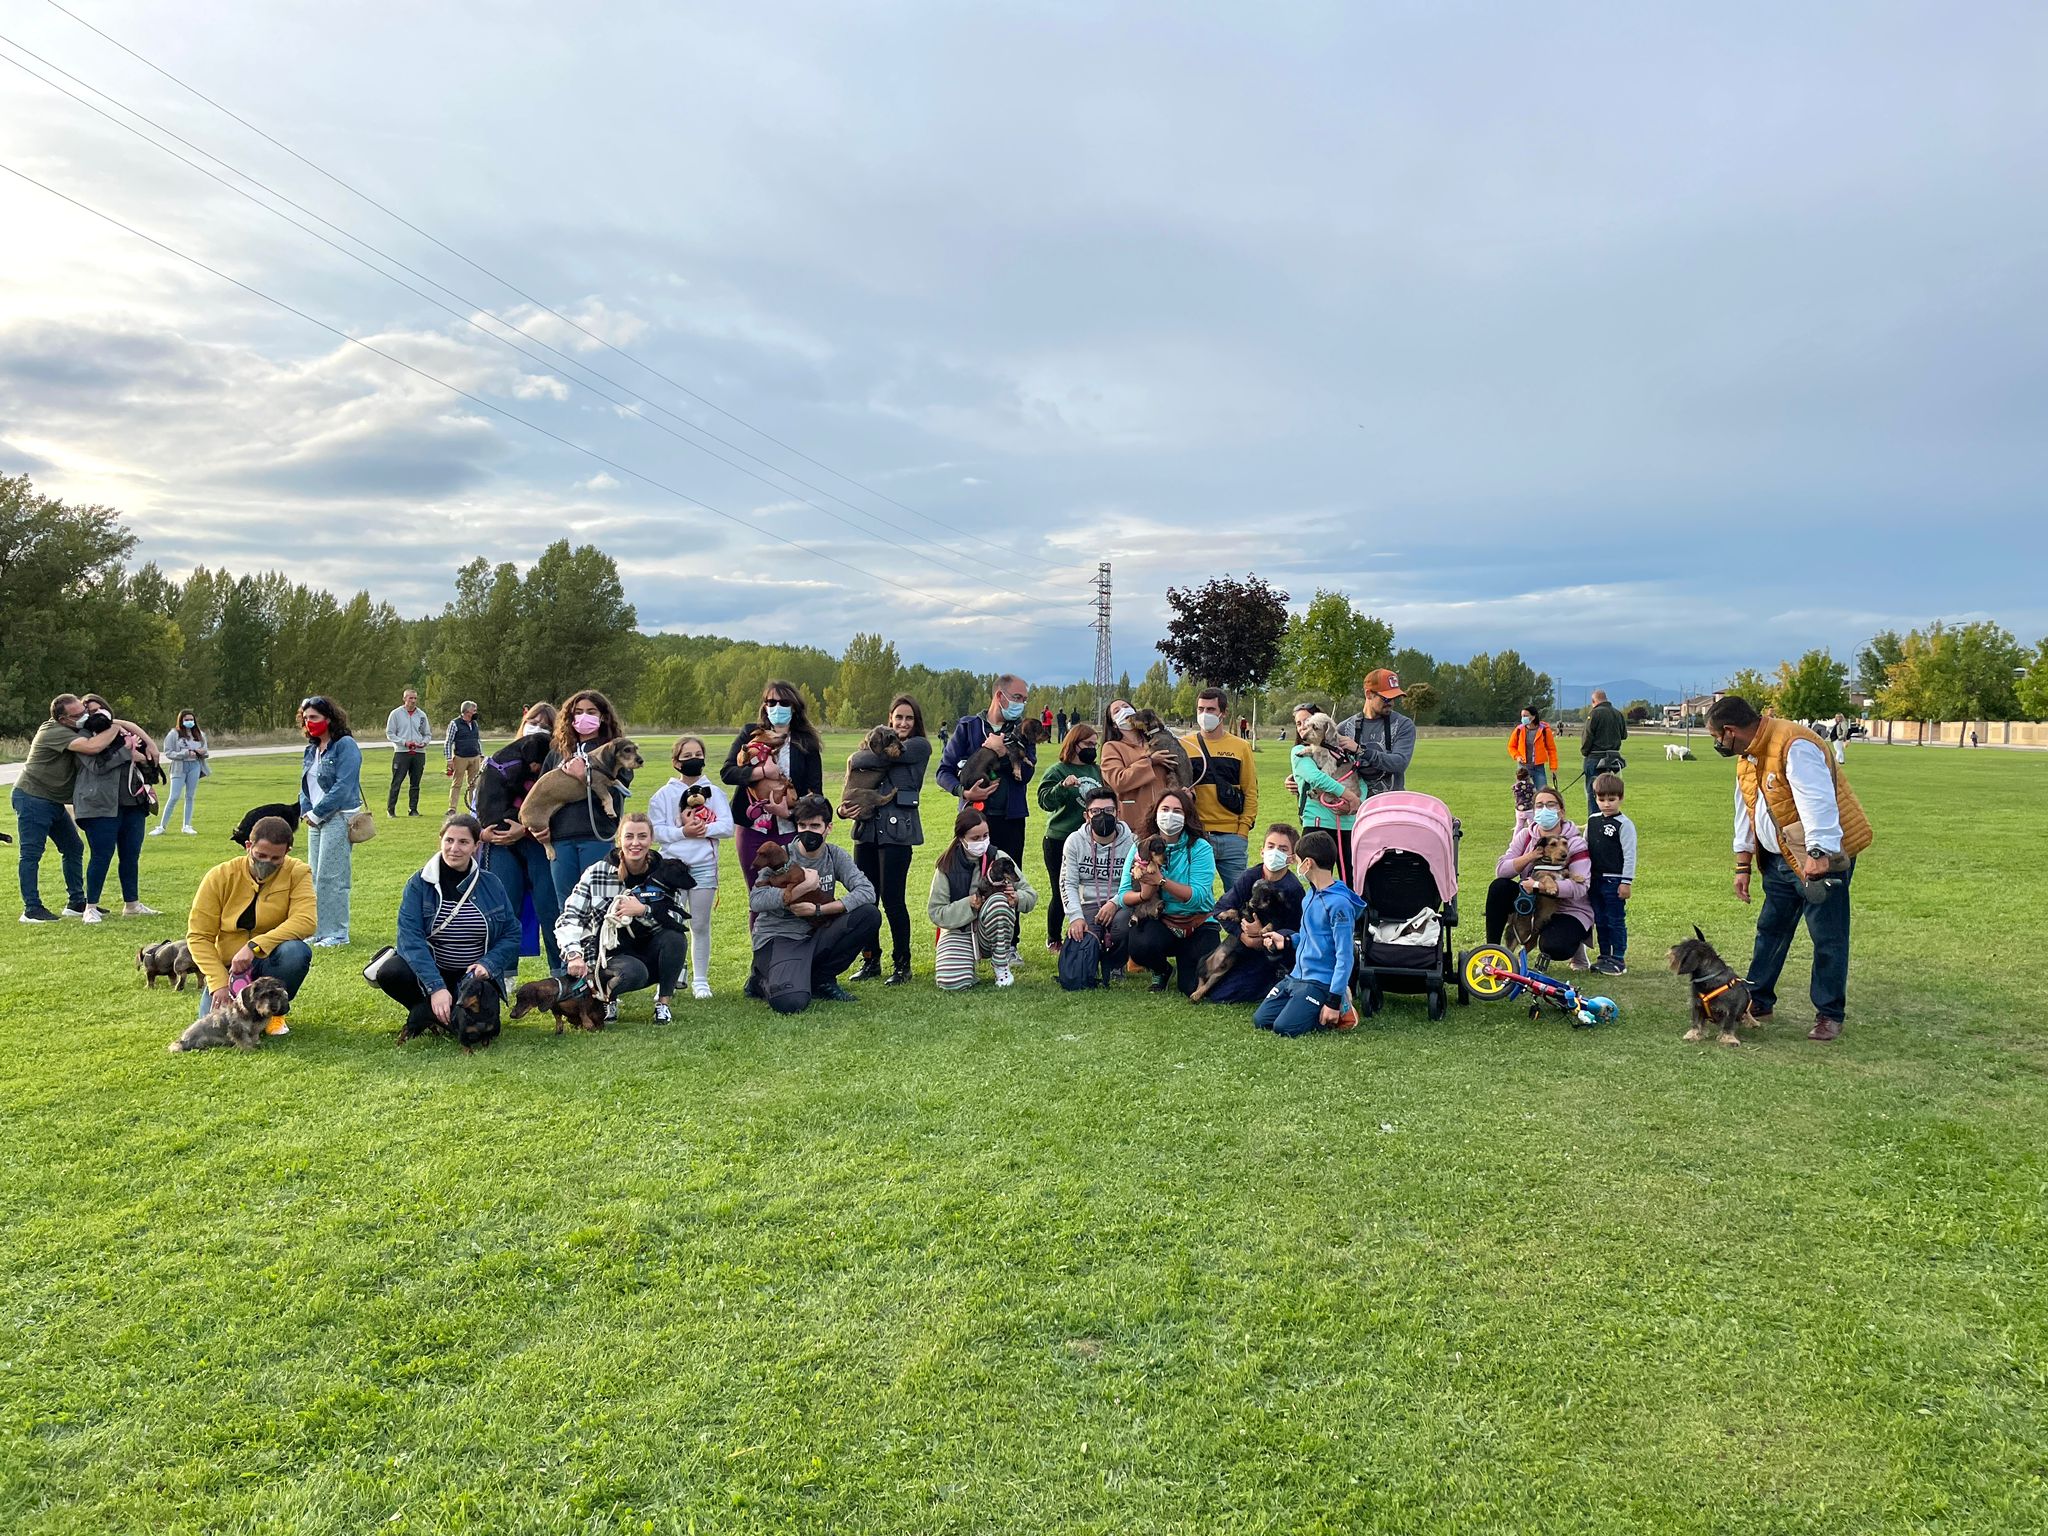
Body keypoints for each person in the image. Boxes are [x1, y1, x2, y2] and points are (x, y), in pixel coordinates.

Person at [1710, 694, 1872, 1043]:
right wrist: (1743, 864)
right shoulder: (1747, 758)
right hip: (1778, 859)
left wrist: (1819, 853)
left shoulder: (1794, 744)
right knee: (1771, 929)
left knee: (1827, 936)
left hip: (1818, 858)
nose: (1716, 744)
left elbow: (1818, 801)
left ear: (1730, 730)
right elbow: (1747, 812)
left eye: (1715, 737)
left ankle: (1829, 1014)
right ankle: (1758, 1001)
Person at [369, 813, 520, 1023]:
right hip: (432, 971)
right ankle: (428, 1011)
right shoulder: (418, 884)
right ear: (440, 840)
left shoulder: (491, 883)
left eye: (463, 842)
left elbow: (512, 933)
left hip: (472, 977)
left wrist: (488, 964)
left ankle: (441, 1016)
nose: (454, 848)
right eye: (449, 840)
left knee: (482, 1027)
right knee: (391, 971)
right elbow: (410, 939)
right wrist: (436, 986)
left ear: (476, 846)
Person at [557, 811, 698, 1024]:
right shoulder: (597, 873)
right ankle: (607, 999)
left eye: (642, 836)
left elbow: (677, 920)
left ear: (651, 840)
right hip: (613, 955)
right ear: (619, 840)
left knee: (675, 939)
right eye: (629, 836)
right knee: (634, 972)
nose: (635, 843)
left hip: (653, 949)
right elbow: (570, 916)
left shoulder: (665, 872)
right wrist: (574, 954)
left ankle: (663, 1004)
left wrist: (643, 910)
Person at [745, 794, 881, 1014]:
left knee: (868, 915)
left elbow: (867, 891)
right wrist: (802, 889)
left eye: (815, 825)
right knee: (790, 1003)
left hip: (816, 933)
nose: (808, 831)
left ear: (828, 828)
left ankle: (822, 979)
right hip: (780, 936)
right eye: (802, 825)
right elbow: (756, 900)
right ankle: (760, 979)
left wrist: (820, 909)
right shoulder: (780, 855)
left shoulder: (834, 855)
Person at [186, 814, 315, 1027]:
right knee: (214, 1027)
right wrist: (218, 983)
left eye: (276, 859)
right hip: (229, 967)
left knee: (296, 952)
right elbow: (199, 936)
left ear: (287, 852)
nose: (267, 863)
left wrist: (254, 946)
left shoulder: (298, 872)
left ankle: (273, 1012)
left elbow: (306, 920)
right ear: (248, 845)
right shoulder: (220, 875)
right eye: (260, 855)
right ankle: (251, 1010)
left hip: (270, 959)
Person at [13, 693, 121, 922]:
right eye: (77, 715)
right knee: (31, 853)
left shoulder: (73, 727)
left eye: (84, 710)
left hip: (53, 801)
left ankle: (76, 902)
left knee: (73, 847)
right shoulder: (53, 731)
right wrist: (115, 725)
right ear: (63, 719)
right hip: (33, 797)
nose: (84, 716)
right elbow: (93, 747)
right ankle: (31, 909)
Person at [848, 695, 933, 986]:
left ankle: (902, 965)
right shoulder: (883, 741)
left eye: (909, 718)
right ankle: (870, 960)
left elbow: (865, 759)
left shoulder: (919, 746)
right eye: (898, 718)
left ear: (916, 721)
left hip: (898, 833)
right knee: (865, 899)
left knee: (893, 900)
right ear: (890, 718)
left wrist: (855, 758)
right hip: (867, 829)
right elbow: (862, 766)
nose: (903, 723)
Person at [476, 702, 563, 975]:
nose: (537, 729)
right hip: (501, 843)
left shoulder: (559, 765)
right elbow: (480, 807)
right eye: (533, 722)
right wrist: (481, 832)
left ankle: (561, 973)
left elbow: (562, 808)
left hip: (540, 842)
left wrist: (524, 830)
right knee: (502, 910)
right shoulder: (501, 760)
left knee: (552, 908)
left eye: (546, 726)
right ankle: (500, 974)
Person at [1252, 829, 1365, 1037]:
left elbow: (1345, 955)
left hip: (1321, 981)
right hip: (1296, 976)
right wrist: (1285, 941)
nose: (1297, 866)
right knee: (1261, 1020)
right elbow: (1308, 937)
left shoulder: (1339, 904)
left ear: (1308, 863)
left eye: (1298, 860)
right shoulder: (1311, 895)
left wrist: (1332, 999)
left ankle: (1340, 1005)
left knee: (1285, 1028)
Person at [648, 735, 734, 1000]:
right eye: (687, 756)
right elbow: (656, 832)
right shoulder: (663, 795)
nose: (693, 760)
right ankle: (668, 979)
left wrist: (703, 829)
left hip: (704, 867)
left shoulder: (714, 792)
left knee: (699, 924)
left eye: (698, 754)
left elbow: (727, 827)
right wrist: (684, 831)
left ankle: (701, 980)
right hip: (671, 869)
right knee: (669, 925)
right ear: (676, 762)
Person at [1111, 788, 1219, 995]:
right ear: (1155, 813)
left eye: (1177, 811)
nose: (1170, 816)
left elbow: (1198, 897)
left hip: (1197, 923)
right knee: (1140, 944)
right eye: (1165, 809)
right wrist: (1144, 895)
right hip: (1162, 921)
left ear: (1187, 817)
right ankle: (1162, 969)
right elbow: (1124, 895)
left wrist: (1161, 881)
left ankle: (1187, 961)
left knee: (1190, 988)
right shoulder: (1139, 847)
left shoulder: (1200, 848)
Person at [544, 689, 637, 907]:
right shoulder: (558, 752)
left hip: (596, 835)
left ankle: (599, 942)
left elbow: (620, 787)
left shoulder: (615, 749)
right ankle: (568, 943)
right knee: (566, 904)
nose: (584, 716)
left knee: (600, 902)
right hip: (561, 838)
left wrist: (584, 776)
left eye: (591, 711)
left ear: (603, 716)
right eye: (578, 712)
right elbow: (543, 792)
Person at [1483, 784, 1594, 968]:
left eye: (1551, 805)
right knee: (1499, 887)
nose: (1545, 810)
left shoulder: (1575, 843)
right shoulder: (1526, 836)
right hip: (1533, 903)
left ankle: (1575, 943)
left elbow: (1580, 887)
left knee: (1554, 946)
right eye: (1540, 805)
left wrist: (1539, 886)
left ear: (1561, 812)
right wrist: (1531, 856)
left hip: (1566, 908)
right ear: (1534, 812)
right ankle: (1492, 953)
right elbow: (1502, 870)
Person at [722, 680, 824, 877]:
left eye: (784, 703)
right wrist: (761, 773)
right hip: (752, 829)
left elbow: (816, 793)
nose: (777, 707)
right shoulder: (750, 734)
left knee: (790, 892)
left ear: (794, 707)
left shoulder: (806, 742)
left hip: (790, 830)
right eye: (771, 702)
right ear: (765, 706)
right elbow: (728, 772)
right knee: (758, 894)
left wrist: (788, 813)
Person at [927, 807, 1038, 989]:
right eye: (975, 838)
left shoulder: (999, 857)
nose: (982, 842)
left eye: (985, 836)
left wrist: (1016, 897)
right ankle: (965, 965)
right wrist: (969, 904)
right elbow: (936, 912)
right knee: (951, 982)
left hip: (993, 928)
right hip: (959, 930)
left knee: (998, 902)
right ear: (961, 838)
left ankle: (1001, 964)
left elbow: (1031, 895)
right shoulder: (946, 865)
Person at [72, 698, 161, 921]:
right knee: (101, 855)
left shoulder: (121, 731)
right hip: (99, 805)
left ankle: (132, 903)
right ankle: (90, 907)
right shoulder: (82, 738)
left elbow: (145, 757)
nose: (96, 715)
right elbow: (96, 765)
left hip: (133, 803)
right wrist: (127, 754)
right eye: (90, 711)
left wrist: (145, 749)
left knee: (131, 855)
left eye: (99, 709)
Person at [936, 675, 1038, 865]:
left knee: (1007, 880)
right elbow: (943, 772)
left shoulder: (1024, 730)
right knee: (969, 880)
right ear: (1000, 696)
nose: (1022, 704)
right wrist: (964, 793)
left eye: (1025, 700)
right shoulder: (967, 727)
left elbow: (1026, 775)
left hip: (1011, 820)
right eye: (1017, 698)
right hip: (973, 818)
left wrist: (1002, 752)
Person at [1204, 823, 1305, 1005]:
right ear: (1262, 851)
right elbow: (1221, 909)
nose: (1275, 852)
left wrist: (1262, 936)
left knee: (1225, 994)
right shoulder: (1249, 877)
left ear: (1291, 858)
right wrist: (1244, 936)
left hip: (1274, 953)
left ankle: (1276, 980)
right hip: (1242, 945)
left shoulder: (1293, 890)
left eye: (1283, 849)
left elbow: (1297, 931)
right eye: (1271, 846)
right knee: (1201, 981)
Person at [296, 695, 363, 948]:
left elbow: (344, 786)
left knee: (332, 877)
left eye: (314, 717)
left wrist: (318, 812)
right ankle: (319, 929)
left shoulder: (345, 745)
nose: (309, 722)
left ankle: (337, 932)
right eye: (305, 718)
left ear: (329, 718)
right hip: (315, 819)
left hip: (338, 817)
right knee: (314, 876)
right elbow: (306, 784)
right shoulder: (312, 749)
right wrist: (307, 810)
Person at [1180, 687, 1258, 895]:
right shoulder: (1184, 745)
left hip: (1232, 836)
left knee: (1239, 899)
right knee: (1195, 897)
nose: (1205, 714)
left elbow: (1250, 791)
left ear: (1223, 713)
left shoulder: (1240, 746)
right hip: (1196, 835)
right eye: (1200, 709)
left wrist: (1242, 831)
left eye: (1211, 709)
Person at [1036, 721, 1105, 953]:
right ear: (1075, 744)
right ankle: (1053, 937)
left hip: (1090, 840)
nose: (1092, 748)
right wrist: (1062, 787)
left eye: (1095, 744)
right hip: (1059, 838)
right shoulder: (1057, 770)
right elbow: (1045, 801)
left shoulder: (1096, 771)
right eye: (1088, 744)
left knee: (1091, 889)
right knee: (1061, 889)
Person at [1059, 781, 1135, 972]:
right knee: (1082, 937)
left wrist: (1115, 903)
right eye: (1095, 812)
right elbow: (1067, 882)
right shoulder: (1074, 841)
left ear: (1118, 813)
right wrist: (1075, 917)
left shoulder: (1133, 842)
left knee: (1123, 927)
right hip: (1088, 903)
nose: (1102, 816)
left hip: (1122, 902)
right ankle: (1095, 956)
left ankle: (1116, 965)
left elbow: (1137, 883)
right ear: (1086, 816)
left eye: (1109, 810)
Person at [1288, 707, 1360, 887]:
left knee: (1352, 881)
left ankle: (1352, 915)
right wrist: (1349, 796)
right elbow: (1316, 778)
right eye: (1299, 723)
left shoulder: (1341, 749)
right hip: (1317, 824)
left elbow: (1359, 778)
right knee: (1316, 882)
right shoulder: (1299, 751)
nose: (1304, 727)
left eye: (1308, 721)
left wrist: (1356, 802)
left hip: (1347, 824)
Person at [1584, 772, 1637, 976]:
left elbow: (1629, 854)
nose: (1607, 804)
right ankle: (1604, 955)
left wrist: (1626, 882)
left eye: (1612, 799)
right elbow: (1585, 846)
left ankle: (1618, 959)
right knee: (1600, 919)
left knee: (1615, 919)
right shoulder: (1592, 820)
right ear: (1595, 798)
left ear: (1620, 798)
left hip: (1614, 879)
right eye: (1602, 799)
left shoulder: (1624, 825)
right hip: (1595, 879)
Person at [1099, 697, 1172, 839]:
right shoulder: (1112, 747)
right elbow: (1118, 781)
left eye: (1126, 706)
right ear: (1113, 724)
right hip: (1134, 824)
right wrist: (1149, 762)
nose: (1123, 711)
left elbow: (1178, 770)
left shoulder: (1157, 741)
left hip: (1165, 821)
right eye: (1116, 711)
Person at [1336, 668, 1416, 795]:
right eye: (1386, 698)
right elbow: (1326, 763)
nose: (1391, 703)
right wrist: (1299, 779)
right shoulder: (1344, 728)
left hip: (1391, 805)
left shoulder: (1403, 724)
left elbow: (1399, 763)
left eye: (1394, 698)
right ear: (1368, 694)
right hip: (1355, 808)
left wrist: (1360, 751)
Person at [153, 709, 209, 835]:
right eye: (186, 720)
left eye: (191, 720)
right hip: (179, 767)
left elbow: (205, 749)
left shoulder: (200, 734)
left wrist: (201, 752)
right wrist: (184, 753)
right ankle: (162, 826)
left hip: (195, 765)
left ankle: (187, 825)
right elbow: (168, 752)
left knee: (190, 796)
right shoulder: (174, 734)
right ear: (181, 721)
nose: (189, 722)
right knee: (174, 796)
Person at [1580, 689, 1630, 819]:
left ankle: (1595, 820)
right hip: (1612, 759)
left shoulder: (1594, 714)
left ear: (1593, 701)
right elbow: (1624, 735)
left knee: (1594, 792)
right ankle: (1609, 818)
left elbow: (1587, 737)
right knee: (1608, 790)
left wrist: (1585, 752)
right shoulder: (1618, 714)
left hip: (1595, 758)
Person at [384, 687, 432, 817]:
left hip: (419, 753)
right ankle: (391, 810)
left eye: (415, 698)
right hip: (402, 752)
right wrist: (403, 742)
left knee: (415, 783)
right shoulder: (396, 714)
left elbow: (427, 733)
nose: (413, 701)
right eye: (410, 698)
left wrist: (424, 742)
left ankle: (413, 809)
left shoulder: (421, 715)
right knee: (397, 781)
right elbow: (390, 733)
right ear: (404, 699)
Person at [444, 699, 484, 814]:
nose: (476, 712)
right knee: (457, 784)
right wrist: (448, 758)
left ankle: (474, 808)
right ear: (467, 712)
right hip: (460, 757)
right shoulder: (455, 724)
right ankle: (452, 808)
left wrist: (481, 755)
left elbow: (478, 740)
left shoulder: (474, 723)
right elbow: (448, 742)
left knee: (474, 784)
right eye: (474, 710)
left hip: (475, 757)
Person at [1508, 705, 1559, 792]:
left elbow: (1551, 749)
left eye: (1525, 716)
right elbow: (1511, 746)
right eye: (1522, 716)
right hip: (1523, 767)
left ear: (1533, 716)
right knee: (1522, 794)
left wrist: (1553, 768)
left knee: (1542, 792)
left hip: (1538, 767)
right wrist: (1517, 756)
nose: (1523, 718)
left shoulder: (1544, 730)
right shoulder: (1519, 729)